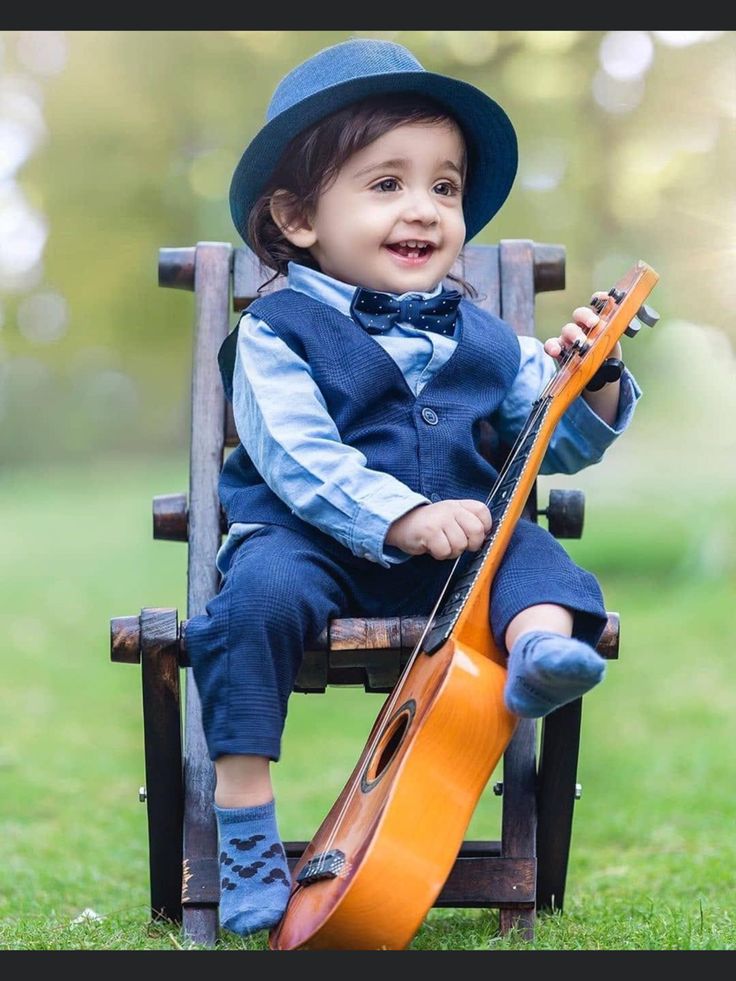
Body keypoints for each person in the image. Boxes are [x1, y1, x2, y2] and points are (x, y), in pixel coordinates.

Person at [185, 37, 642, 939]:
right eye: (386, 183)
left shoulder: (487, 337)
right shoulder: (278, 334)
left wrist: (588, 380)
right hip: (314, 546)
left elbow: (550, 445)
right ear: (298, 216)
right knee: (253, 603)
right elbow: (298, 453)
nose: (424, 209)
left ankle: (543, 654)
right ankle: (244, 829)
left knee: (529, 548)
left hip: (458, 560)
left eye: (444, 186)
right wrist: (399, 514)